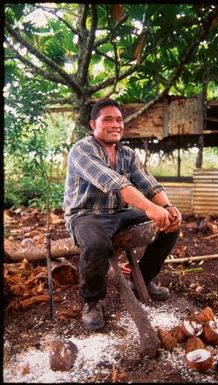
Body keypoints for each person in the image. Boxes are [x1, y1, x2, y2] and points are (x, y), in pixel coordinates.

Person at [64, 98, 182, 331]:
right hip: (86, 215)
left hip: (119, 213)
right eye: (107, 119)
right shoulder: (82, 149)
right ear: (92, 124)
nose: (115, 124)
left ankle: (143, 281)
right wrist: (149, 207)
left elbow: (149, 184)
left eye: (119, 120)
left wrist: (168, 208)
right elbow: (114, 182)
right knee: (96, 244)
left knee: (171, 224)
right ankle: (92, 301)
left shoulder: (127, 154)